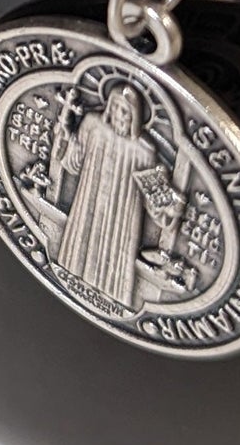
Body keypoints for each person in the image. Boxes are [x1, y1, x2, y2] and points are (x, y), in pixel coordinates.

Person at [52, 83, 165, 310]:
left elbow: (153, 198)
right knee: (79, 249)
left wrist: (169, 208)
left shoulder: (145, 151)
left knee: (113, 262)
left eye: (124, 111)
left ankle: (109, 301)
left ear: (135, 115)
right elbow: (74, 163)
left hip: (120, 224)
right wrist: (65, 136)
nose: (118, 115)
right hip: (88, 206)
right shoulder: (94, 126)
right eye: (114, 108)